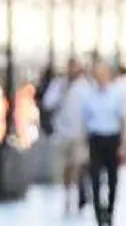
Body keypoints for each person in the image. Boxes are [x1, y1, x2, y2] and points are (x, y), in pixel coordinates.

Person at [81, 60, 126, 226]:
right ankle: (99, 219)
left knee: (112, 181)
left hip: (112, 139)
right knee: (94, 181)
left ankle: (109, 214)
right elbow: (84, 121)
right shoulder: (89, 96)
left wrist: (124, 144)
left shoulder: (117, 94)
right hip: (95, 140)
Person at [42, 59, 91, 215]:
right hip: (62, 132)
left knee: (78, 164)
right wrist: (62, 90)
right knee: (66, 166)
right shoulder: (58, 85)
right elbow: (48, 103)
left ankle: (79, 194)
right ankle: (68, 196)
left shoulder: (85, 87)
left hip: (79, 133)